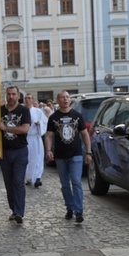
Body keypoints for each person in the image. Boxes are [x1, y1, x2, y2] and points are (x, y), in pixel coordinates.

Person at [44, 90, 92, 223]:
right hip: (60, 156)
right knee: (65, 184)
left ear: (70, 100)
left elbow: (85, 135)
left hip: (76, 155)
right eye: (62, 98)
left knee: (76, 182)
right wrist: (48, 150)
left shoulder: (77, 116)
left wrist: (88, 152)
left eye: (67, 97)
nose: (65, 99)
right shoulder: (53, 118)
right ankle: (70, 207)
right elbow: (49, 135)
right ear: (58, 101)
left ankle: (79, 211)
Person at [0, 86, 31, 224]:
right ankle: (13, 209)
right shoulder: (0, 110)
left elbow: (24, 129)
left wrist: (6, 128)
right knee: (9, 183)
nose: (11, 97)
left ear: (18, 96)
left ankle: (19, 212)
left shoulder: (24, 111)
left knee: (18, 181)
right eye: (9, 94)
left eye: (13, 94)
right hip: (4, 152)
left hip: (20, 151)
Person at [23, 93, 47, 188]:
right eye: (26, 98)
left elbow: (45, 122)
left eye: (29, 98)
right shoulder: (22, 111)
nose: (27, 100)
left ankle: (37, 178)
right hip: (26, 138)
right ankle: (28, 177)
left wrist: (39, 124)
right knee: (27, 159)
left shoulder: (38, 112)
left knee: (37, 158)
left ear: (33, 100)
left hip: (36, 138)